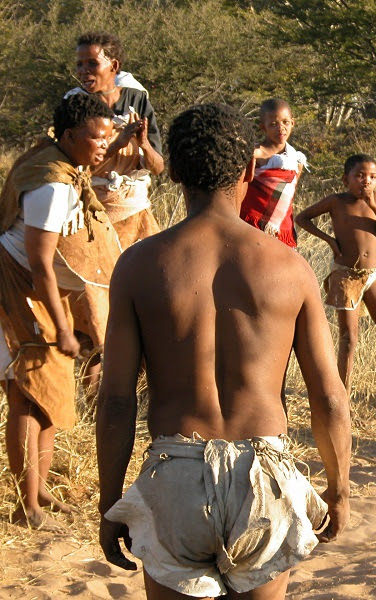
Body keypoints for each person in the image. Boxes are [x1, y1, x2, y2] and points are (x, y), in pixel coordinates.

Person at [96, 103, 351, 599]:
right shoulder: (289, 267)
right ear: (250, 169)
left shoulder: (139, 265)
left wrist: (111, 503)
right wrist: (339, 493)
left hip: (175, 475)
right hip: (265, 477)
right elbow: (331, 398)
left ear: (172, 173)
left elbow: (117, 401)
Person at [0, 94, 117, 530]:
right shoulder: (52, 185)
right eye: (95, 137)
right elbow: (39, 263)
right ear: (69, 137)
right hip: (20, 288)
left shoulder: (62, 167)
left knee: (46, 393)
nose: (103, 145)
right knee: (28, 394)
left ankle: (41, 490)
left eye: (107, 137)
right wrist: (65, 327)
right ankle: (26, 505)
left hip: (32, 288)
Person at [68, 31, 164, 395]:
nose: (83, 71)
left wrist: (139, 144)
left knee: (150, 299)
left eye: (91, 63)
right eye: (79, 64)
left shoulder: (138, 99)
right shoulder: (75, 105)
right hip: (91, 218)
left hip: (136, 215)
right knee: (95, 308)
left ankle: (140, 392)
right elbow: (74, 169)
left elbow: (157, 166)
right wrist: (118, 146)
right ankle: (95, 403)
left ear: (114, 66)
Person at [296, 154, 376, 417]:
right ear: (346, 179)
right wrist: (330, 241)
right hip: (345, 275)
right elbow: (302, 218)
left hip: (373, 275)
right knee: (349, 339)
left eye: (372, 177)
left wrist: (374, 205)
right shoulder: (337, 201)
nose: (367, 181)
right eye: (360, 176)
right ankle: (343, 405)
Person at [239, 98, 307, 248]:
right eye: (273, 124)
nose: (281, 128)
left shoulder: (296, 160)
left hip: (282, 229)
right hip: (251, 224)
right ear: (263, 128)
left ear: (292, 123)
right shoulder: (254, 153)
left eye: (285, 122)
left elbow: (288, 196)